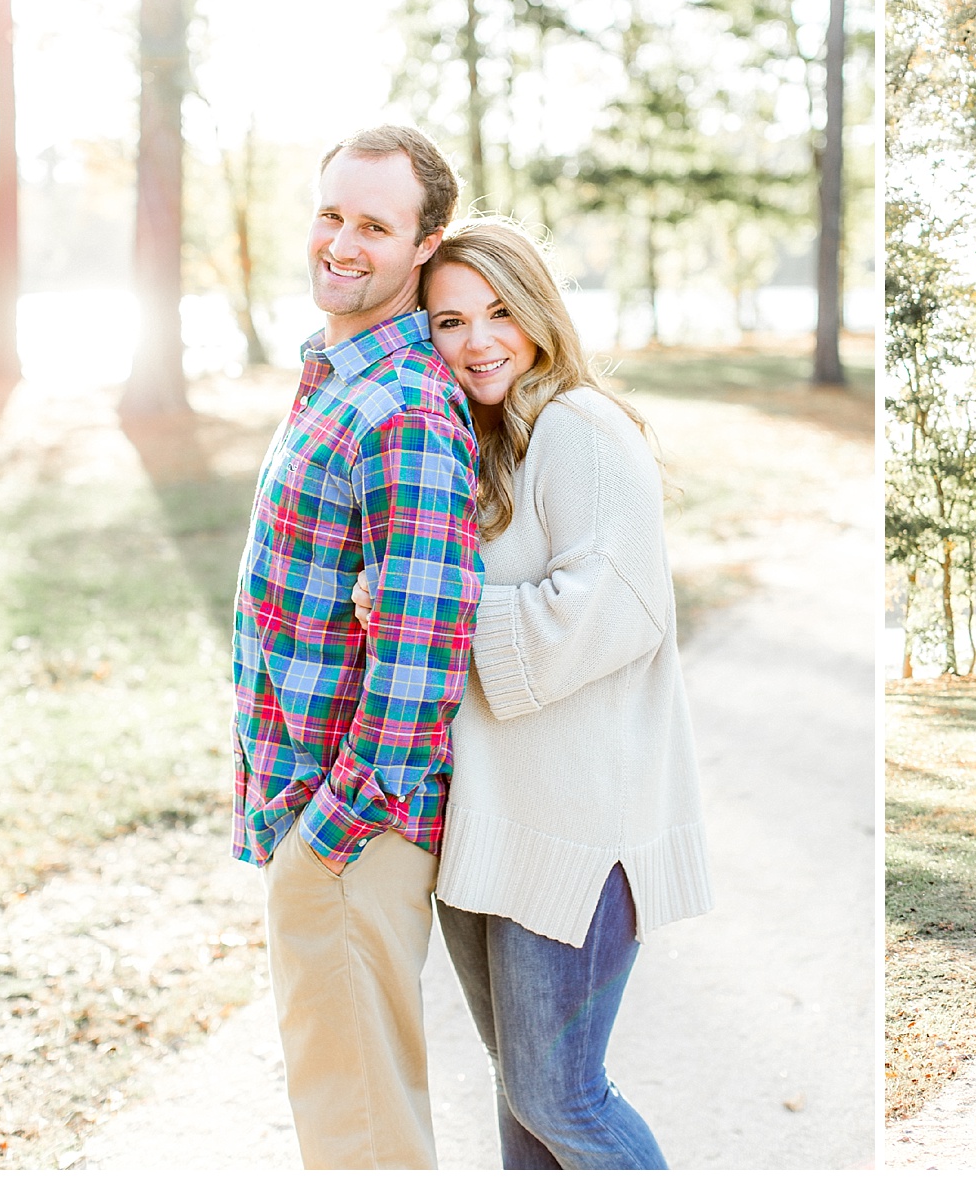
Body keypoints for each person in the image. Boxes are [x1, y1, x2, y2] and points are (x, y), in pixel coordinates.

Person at [355, 217, 711, 1169]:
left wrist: (418, 603)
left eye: (501, 312)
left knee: (565, 1098)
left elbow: (605, 611)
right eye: (447, 322)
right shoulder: (481, 443)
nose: (478, 342)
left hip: (579, 833)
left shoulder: (579, 425)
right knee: (524, 1100)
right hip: (495, 823)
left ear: (541, 313)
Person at [230, 125, 480, 1169]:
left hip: (351, 835)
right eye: (331, 213)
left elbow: (421, 666)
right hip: (317, 820)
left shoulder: (408, 407)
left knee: (364, 1140)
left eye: (374, 224)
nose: (341, 241)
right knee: (349, 1118)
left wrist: (321, 842)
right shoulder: (338, 374)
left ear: (424, 245)